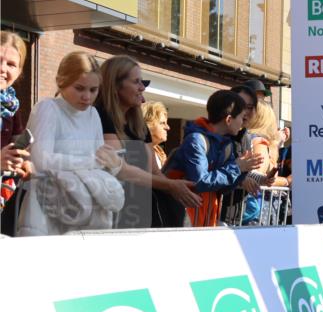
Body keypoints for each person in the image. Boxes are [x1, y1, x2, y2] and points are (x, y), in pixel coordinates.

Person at [17, 52, 124, 236]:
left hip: (84, 211)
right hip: (47, 205)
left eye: (93, 90)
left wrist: (111, 163)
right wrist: (92, 162)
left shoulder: (93, 115)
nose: (87, 97)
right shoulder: (48, 108)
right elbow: (41, 160)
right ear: (62, 82)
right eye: (79, 88)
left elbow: (98, 163)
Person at [96, 56, 200, 228]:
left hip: (142, 208)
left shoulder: (137, 124)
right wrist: (170, 185)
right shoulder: (100, 116)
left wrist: (174, 189)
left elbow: (154, 171)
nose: (142, 87)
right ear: (115, 85)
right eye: (136, 82)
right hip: (115, 213)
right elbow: (120, 170)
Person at [163, 90, 261, 227]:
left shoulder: (226, 145)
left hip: (206, 219)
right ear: (228, 120)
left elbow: (222, 188)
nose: (242, 122)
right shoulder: (196, 140)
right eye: (241, 117)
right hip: (181, 218)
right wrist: (237, 167)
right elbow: (199, 182)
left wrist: (243, 169)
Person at [1, 31, 30, 225]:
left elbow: (16, 144)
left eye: (11, 64)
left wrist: (23, 163)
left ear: (19, 72)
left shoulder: (12, 106)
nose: (2, 69)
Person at [142, 102, 170, 169]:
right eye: (162, 123)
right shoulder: (135, 150)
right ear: (147, 125)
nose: (168, 127)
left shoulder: (159, 152)